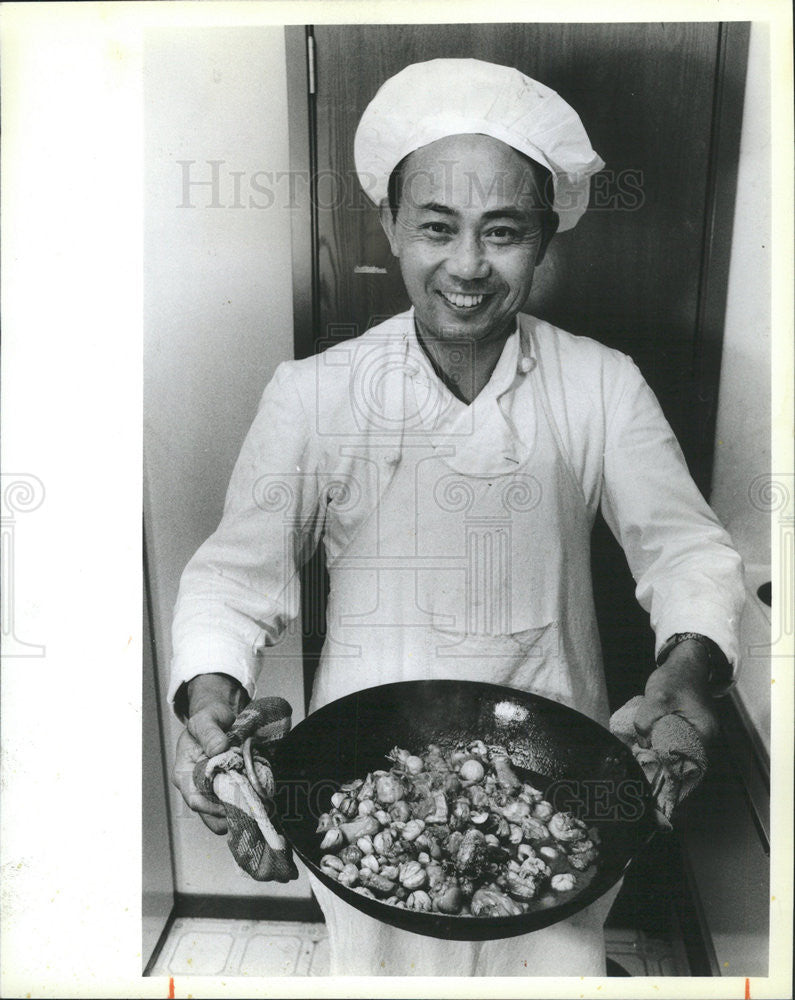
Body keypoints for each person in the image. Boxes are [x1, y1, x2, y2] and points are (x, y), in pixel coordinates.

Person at [168, 58, 745, 975]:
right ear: (391, 224)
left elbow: (686, 552)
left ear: (545, 240)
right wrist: (209, 701)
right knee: (383, 972)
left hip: (558, 767)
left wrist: (683, 678)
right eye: (436, 226)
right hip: (357, 776)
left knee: (552, 967)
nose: (467, 266)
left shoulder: (600, 384)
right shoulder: (315, 394)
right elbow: (233, 582)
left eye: (503, 231)